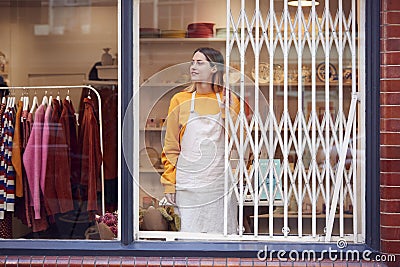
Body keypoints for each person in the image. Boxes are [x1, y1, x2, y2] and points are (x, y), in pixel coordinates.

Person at [160, 47, 239, 234]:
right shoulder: (179, 100)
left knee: (222, 239)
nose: (193, 67)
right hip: (188, 185)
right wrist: (169, 183)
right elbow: (171, 147)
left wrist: (228, 113)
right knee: (188, 238)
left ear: (214, 69)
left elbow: (238, 142)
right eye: (192, 62)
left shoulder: (229, 99)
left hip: (218, 185)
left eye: (200, 62)